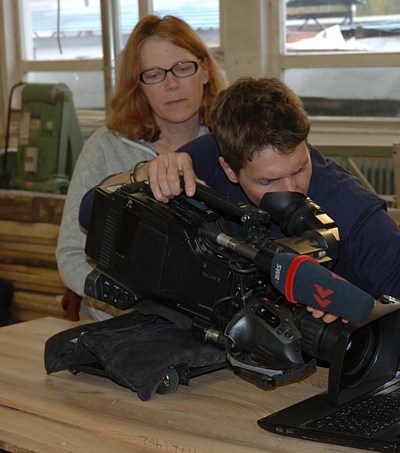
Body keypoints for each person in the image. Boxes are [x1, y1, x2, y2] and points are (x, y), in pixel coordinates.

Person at [80, 76, 400, 323]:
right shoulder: (206, 158)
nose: (292, 188)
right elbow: (88, 213)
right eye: (268, 180)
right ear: (229, 169)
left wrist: (363, 314)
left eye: (301, 167)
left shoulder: (355, 215)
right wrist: (144, 172)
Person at [56, 14, 227, 320]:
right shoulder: (106, 147)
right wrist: (128, 305)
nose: (172, 84)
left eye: (183, 68)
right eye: (154, 74)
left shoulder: (229, 143)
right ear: (139, 86)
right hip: (118, 325)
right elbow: (71, 254)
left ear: (204, 72)